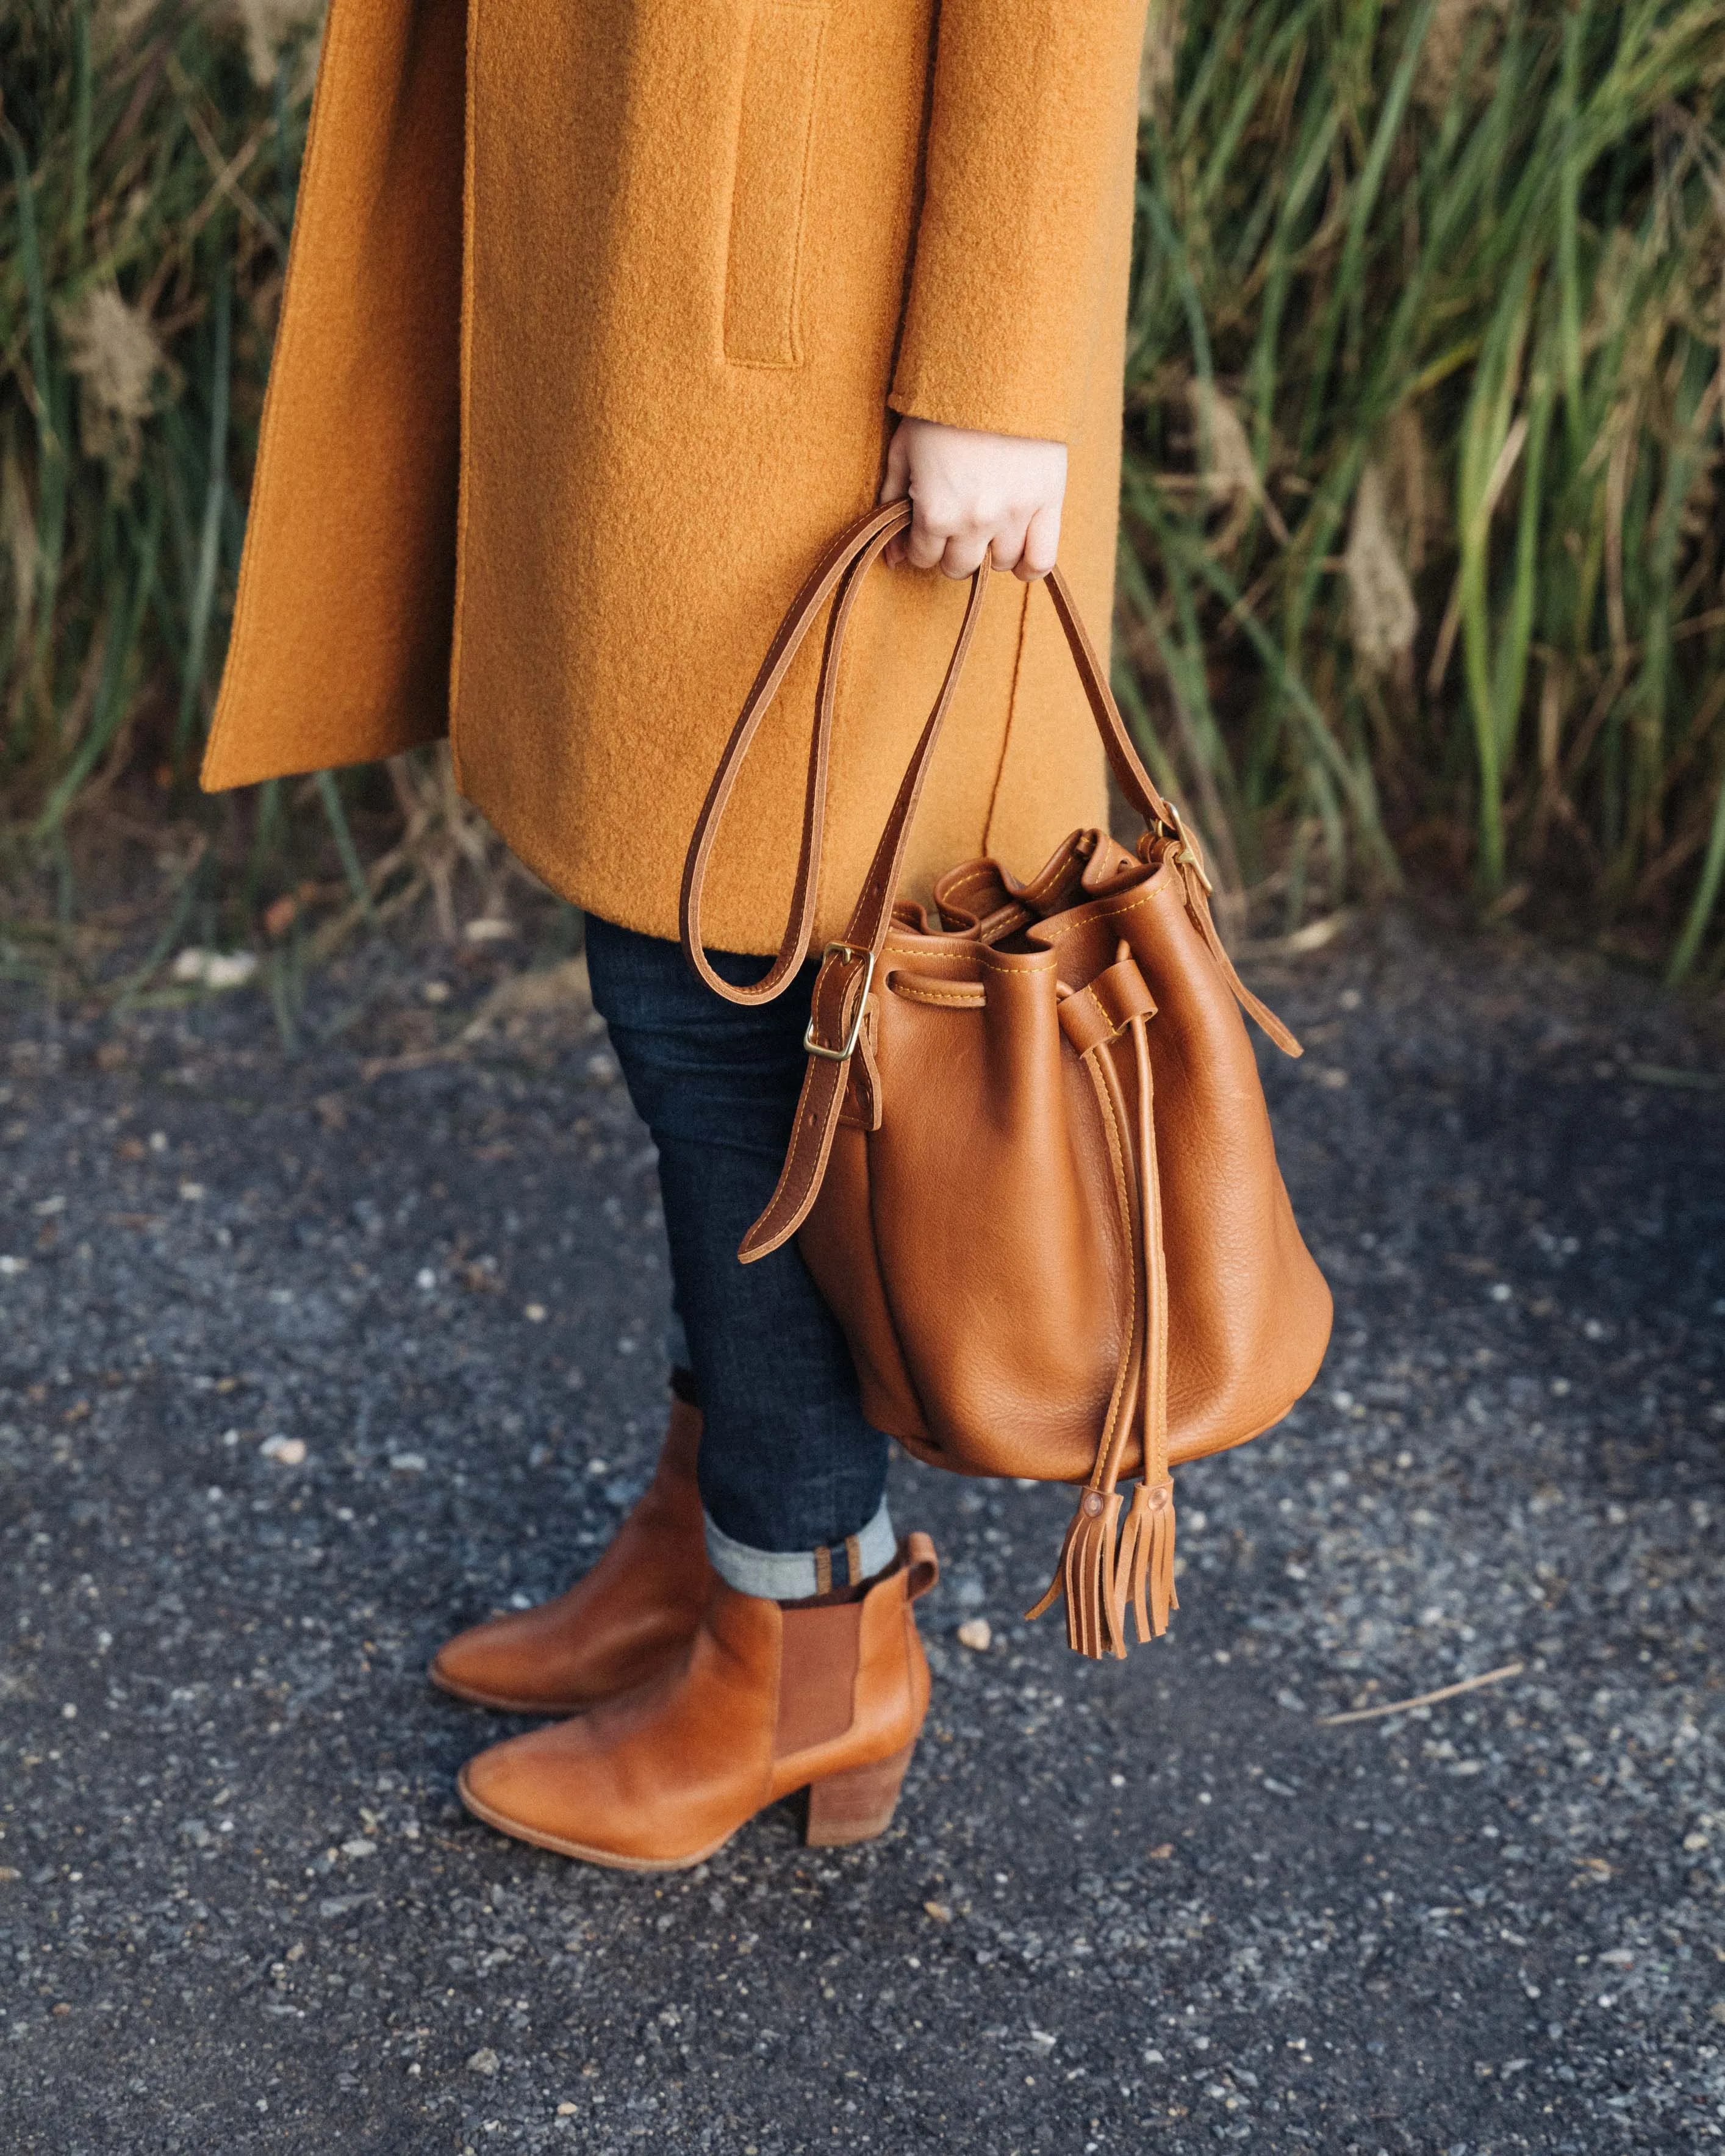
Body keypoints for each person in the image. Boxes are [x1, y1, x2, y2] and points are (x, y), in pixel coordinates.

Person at [204, 0, 1152, 1870]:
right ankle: (714, 1518)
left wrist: (992, 348)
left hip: (814, 262)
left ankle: (806, 1628)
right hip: (655, 208)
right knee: (683, 931)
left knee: (741, 979)